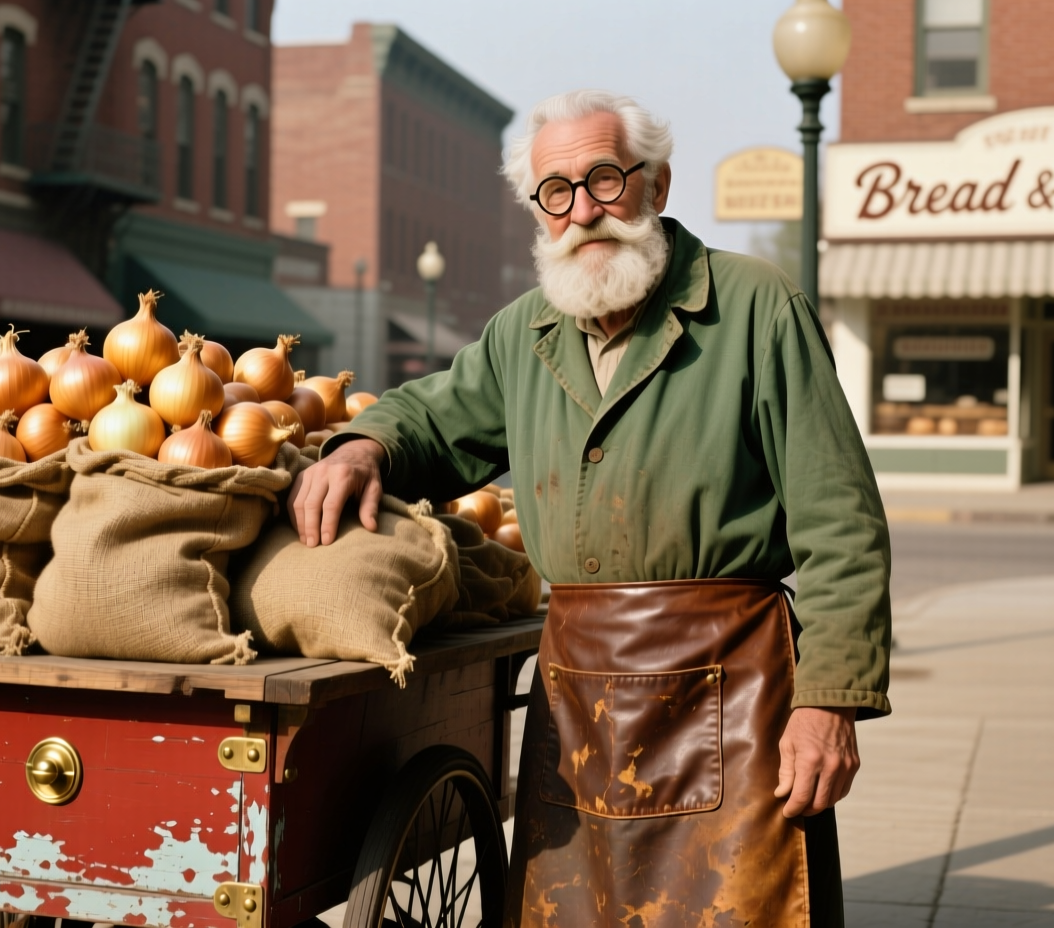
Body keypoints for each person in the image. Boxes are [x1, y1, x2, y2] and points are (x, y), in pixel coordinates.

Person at [290, 90, 890, 928]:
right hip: (579, 698)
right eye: (557, 192)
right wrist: (364, 445)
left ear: (658, 186)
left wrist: (829, 704)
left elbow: (841, 522)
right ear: (538, 212)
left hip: (735, 688)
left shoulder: (756, 308)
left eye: (605, 179)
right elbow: (434, 414)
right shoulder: (523, 334)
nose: (584, 211)